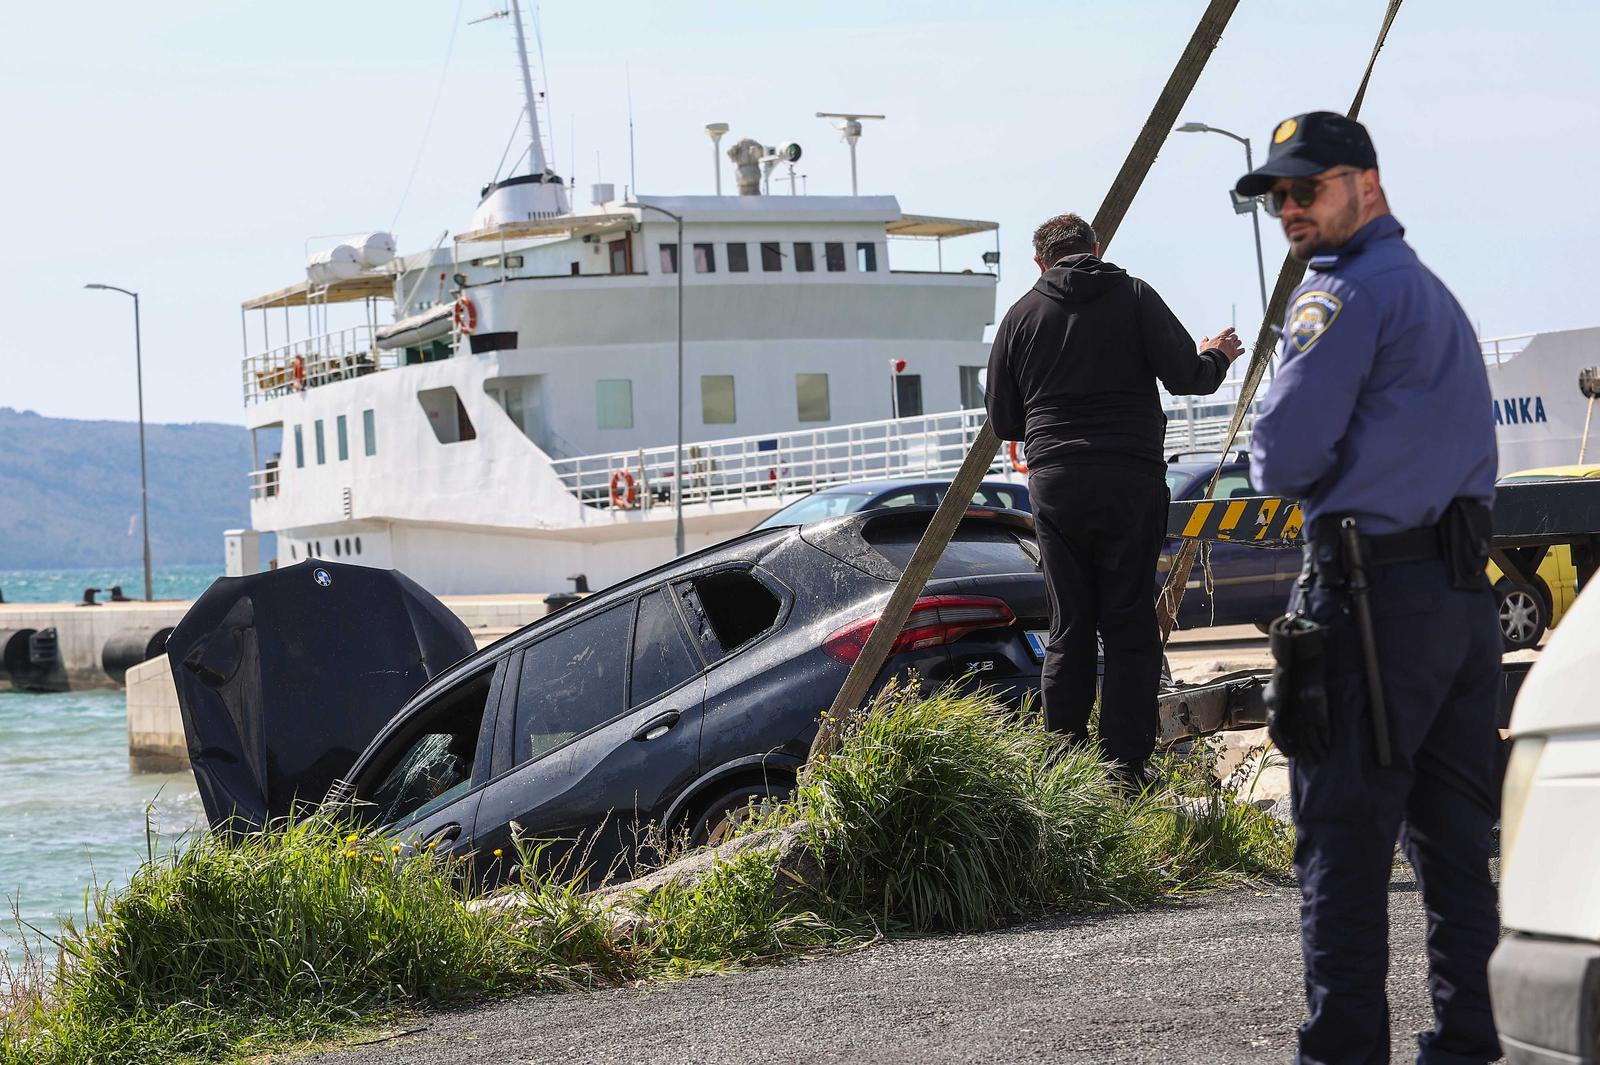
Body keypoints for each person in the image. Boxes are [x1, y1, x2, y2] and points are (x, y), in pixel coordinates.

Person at [1239, 112, 1501, 1064]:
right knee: (1457, 853)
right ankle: (1469, 1045)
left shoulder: (1341, 295)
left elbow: (1281, 454)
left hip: (1373, 607)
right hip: (1459, 605)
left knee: (1342, 854)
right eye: (1279, 197)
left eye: (1308, 189)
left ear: (1367, 186)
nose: (1291, 209)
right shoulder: (1427, 291)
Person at [985, 213, 1243, 788]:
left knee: (1070, 624)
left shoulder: (1020, 316)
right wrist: (1217, 354)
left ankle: (1066, 770)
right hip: (1130, 478)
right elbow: (1189, 378)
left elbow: (1004, 419)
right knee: (1128, 621)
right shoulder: (1134, 296)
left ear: (1039, 262)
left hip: (1058, 484)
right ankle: (1124, 769)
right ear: (1097, 248)